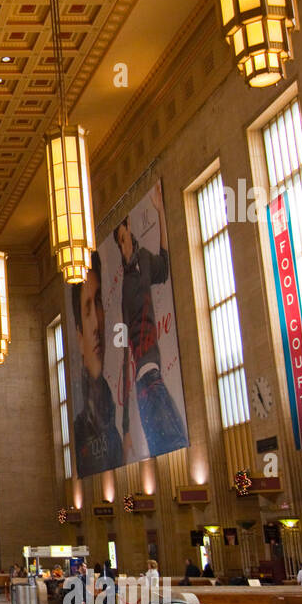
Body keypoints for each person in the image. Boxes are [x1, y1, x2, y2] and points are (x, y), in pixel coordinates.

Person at [114, 190, 188, 459]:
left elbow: (165, 267)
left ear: (130, 230)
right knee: (174, 441)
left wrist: (160, 213)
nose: (124, 247)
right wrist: (125, 429)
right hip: (145, 379)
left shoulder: (144, 260)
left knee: (173, 441)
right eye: (120, 244)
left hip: (153, 374)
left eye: (124, 239)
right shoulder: (125, 289)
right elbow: (123, 355)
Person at [71, 251, 124, 477]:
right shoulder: (81, 429)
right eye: (87, 309)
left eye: (99, 302)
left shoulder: (117, 412)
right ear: (80, 338)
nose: (96, 324)